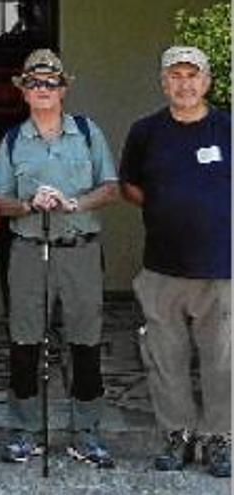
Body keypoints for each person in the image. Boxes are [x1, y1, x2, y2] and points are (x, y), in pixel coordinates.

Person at [0, 49, 117, 467]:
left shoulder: (87, 132)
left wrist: (74, 205)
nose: (42, 90)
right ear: (24, 92)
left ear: (63, 89)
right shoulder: (12, 140)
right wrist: (29, 204)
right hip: (29, 251)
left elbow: (110, 187)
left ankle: (86, 431)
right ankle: (26, 431)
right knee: (25, 343)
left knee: (86, 343)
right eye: (34, 84)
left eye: (50, 83)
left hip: (80, 250)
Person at [120, 46, 231, 478]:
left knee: (223, 361)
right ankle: (177, 435)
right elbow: (130, 186)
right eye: (175, 76)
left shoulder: (228, 128)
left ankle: (220, 438)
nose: (184, 83)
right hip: (161, 267)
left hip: (222, 268)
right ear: (164, 83)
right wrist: (171, 206)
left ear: (206, 82)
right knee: (165, 359)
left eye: (192, 75)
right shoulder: (145, 132)